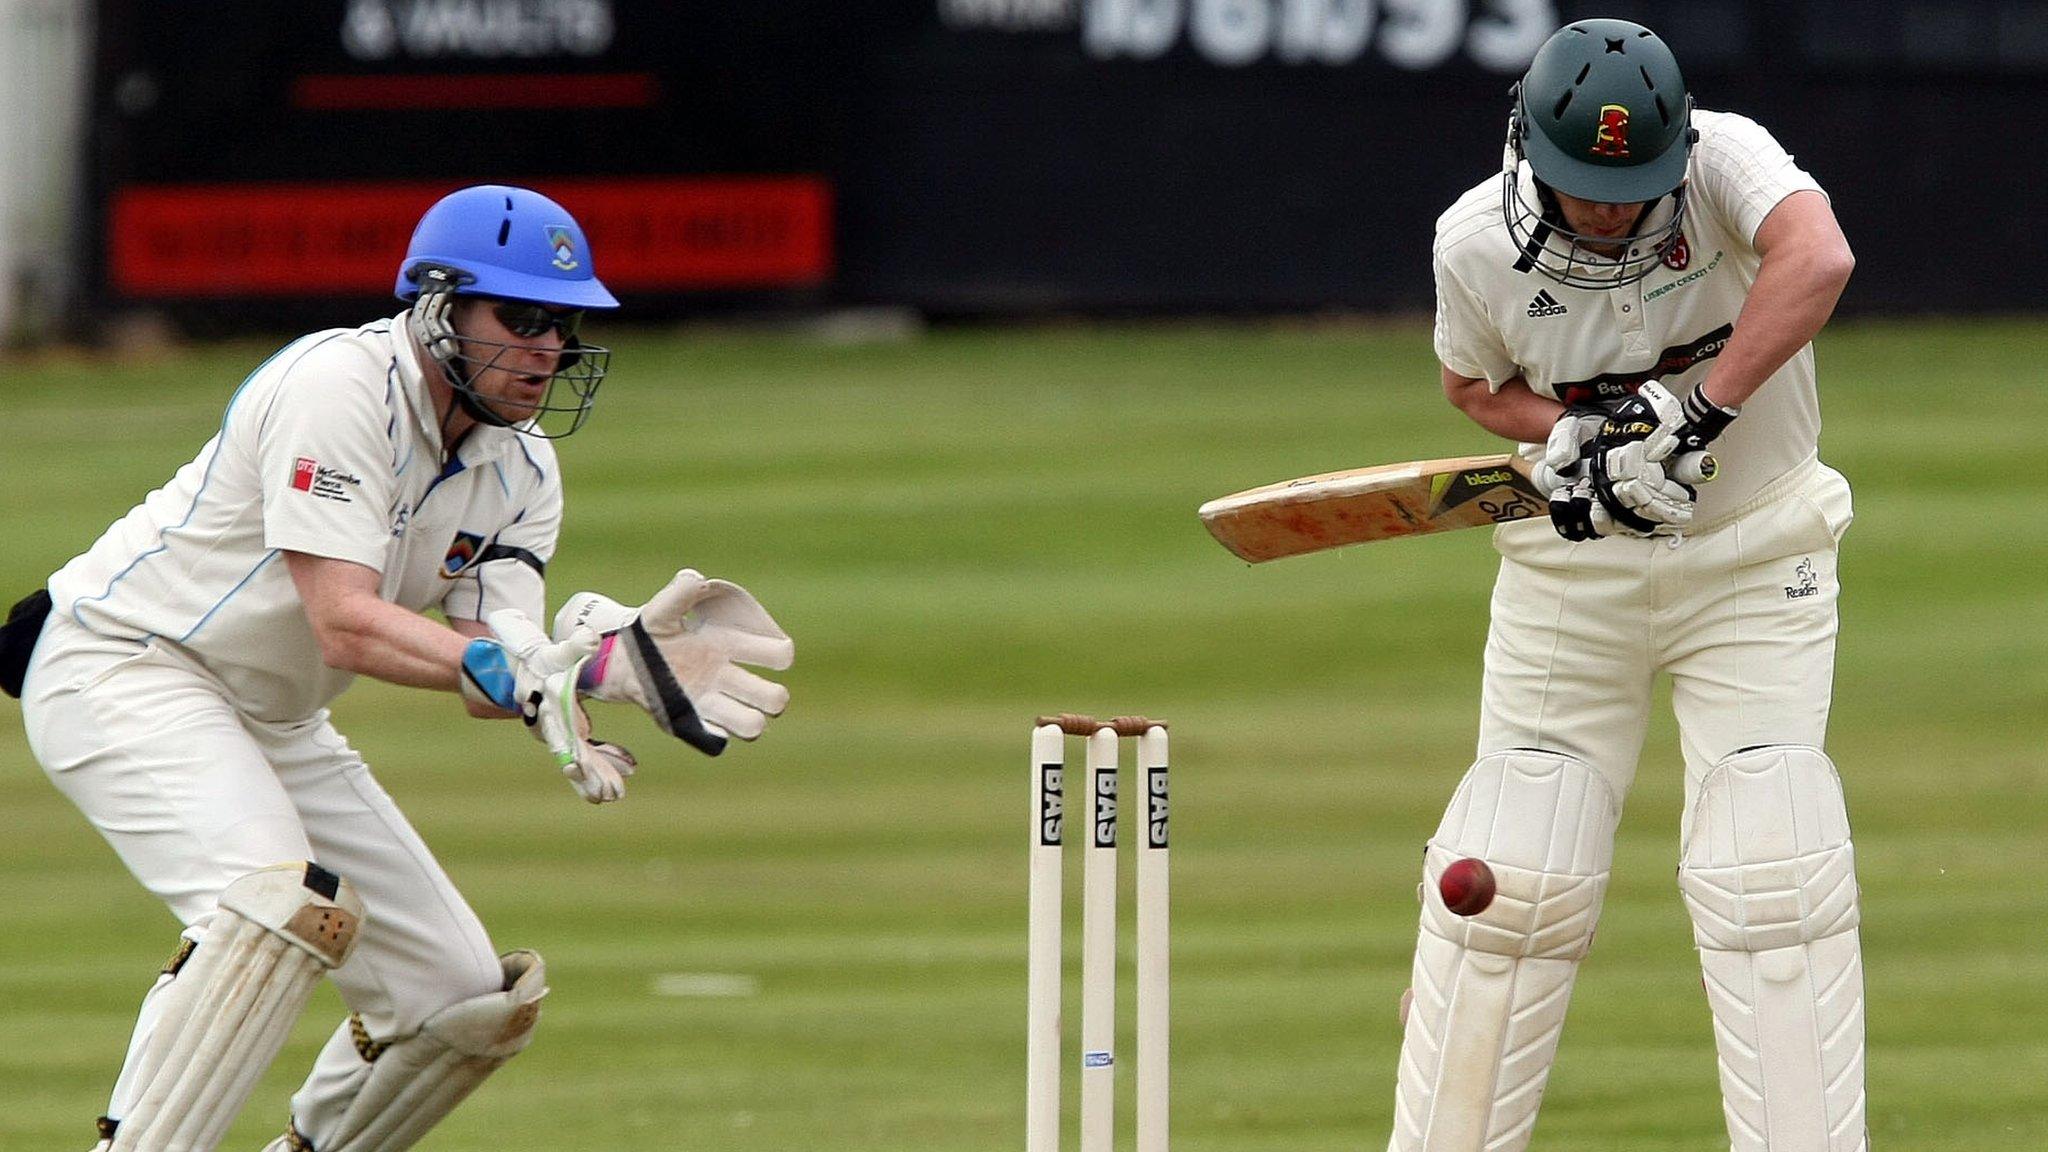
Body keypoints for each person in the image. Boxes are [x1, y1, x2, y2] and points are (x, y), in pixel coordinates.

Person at [0, 184, 795, 1152]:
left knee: (459, 1001)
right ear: (436, 304)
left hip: (279, 718)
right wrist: (537, 676)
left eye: (566, 324)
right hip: (128, 664)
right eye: (525, 318)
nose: (549, 347)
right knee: (274, 906)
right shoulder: (337, 387)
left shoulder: (525, 468)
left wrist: (594, 672)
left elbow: (498, 656)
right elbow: (347, 624)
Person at [1395, 18, 1863, 1152]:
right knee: (1514, 879)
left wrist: (1692, 416)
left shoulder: (1726, 161)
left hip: (1753, 553)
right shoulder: (1470, 242)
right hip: (1571, 574)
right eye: (1581, 190)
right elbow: (1470, 387)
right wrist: (1571, 436)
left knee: (1773, 875)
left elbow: (1819, 259)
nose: (1607, 211)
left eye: (1629, 190)